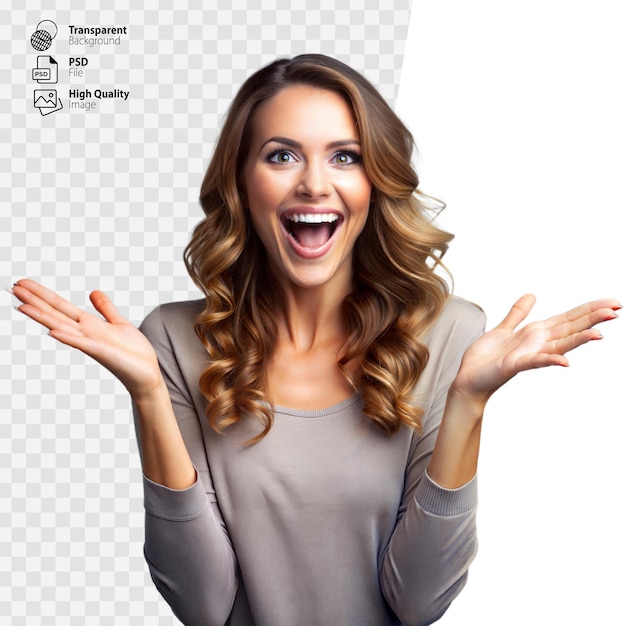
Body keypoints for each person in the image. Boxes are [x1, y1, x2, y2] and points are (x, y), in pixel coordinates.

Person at [12, 54, 620, 626]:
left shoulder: (450, 334)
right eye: (281, 156)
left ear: (374, 183)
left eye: (345, 157)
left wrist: (469, 400)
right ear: (241, 183)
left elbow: (419, 602)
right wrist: (146, 395)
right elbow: (202, 603)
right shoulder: (172, 339)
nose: (313, 184)